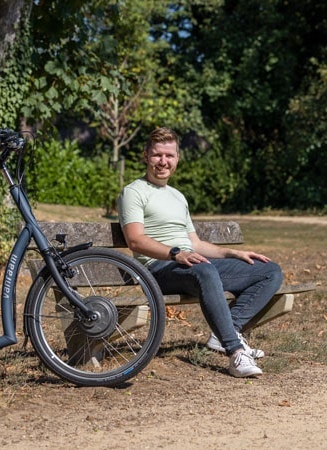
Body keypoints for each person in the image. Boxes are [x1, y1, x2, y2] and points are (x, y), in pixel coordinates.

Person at [117, 127, 283, 378]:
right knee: (204, 270)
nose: (163, 162)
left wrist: (233, 253)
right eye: (157, 155)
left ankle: (225, 332)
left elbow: (194, 243)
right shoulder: (134, 192)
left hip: (191, 265)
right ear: (145, 156)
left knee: (269, 271)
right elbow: (136, 241)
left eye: (169, 156)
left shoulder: (177, 196)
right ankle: (235, 351)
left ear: (177, 159)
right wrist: (175, 254)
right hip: (158, 269)